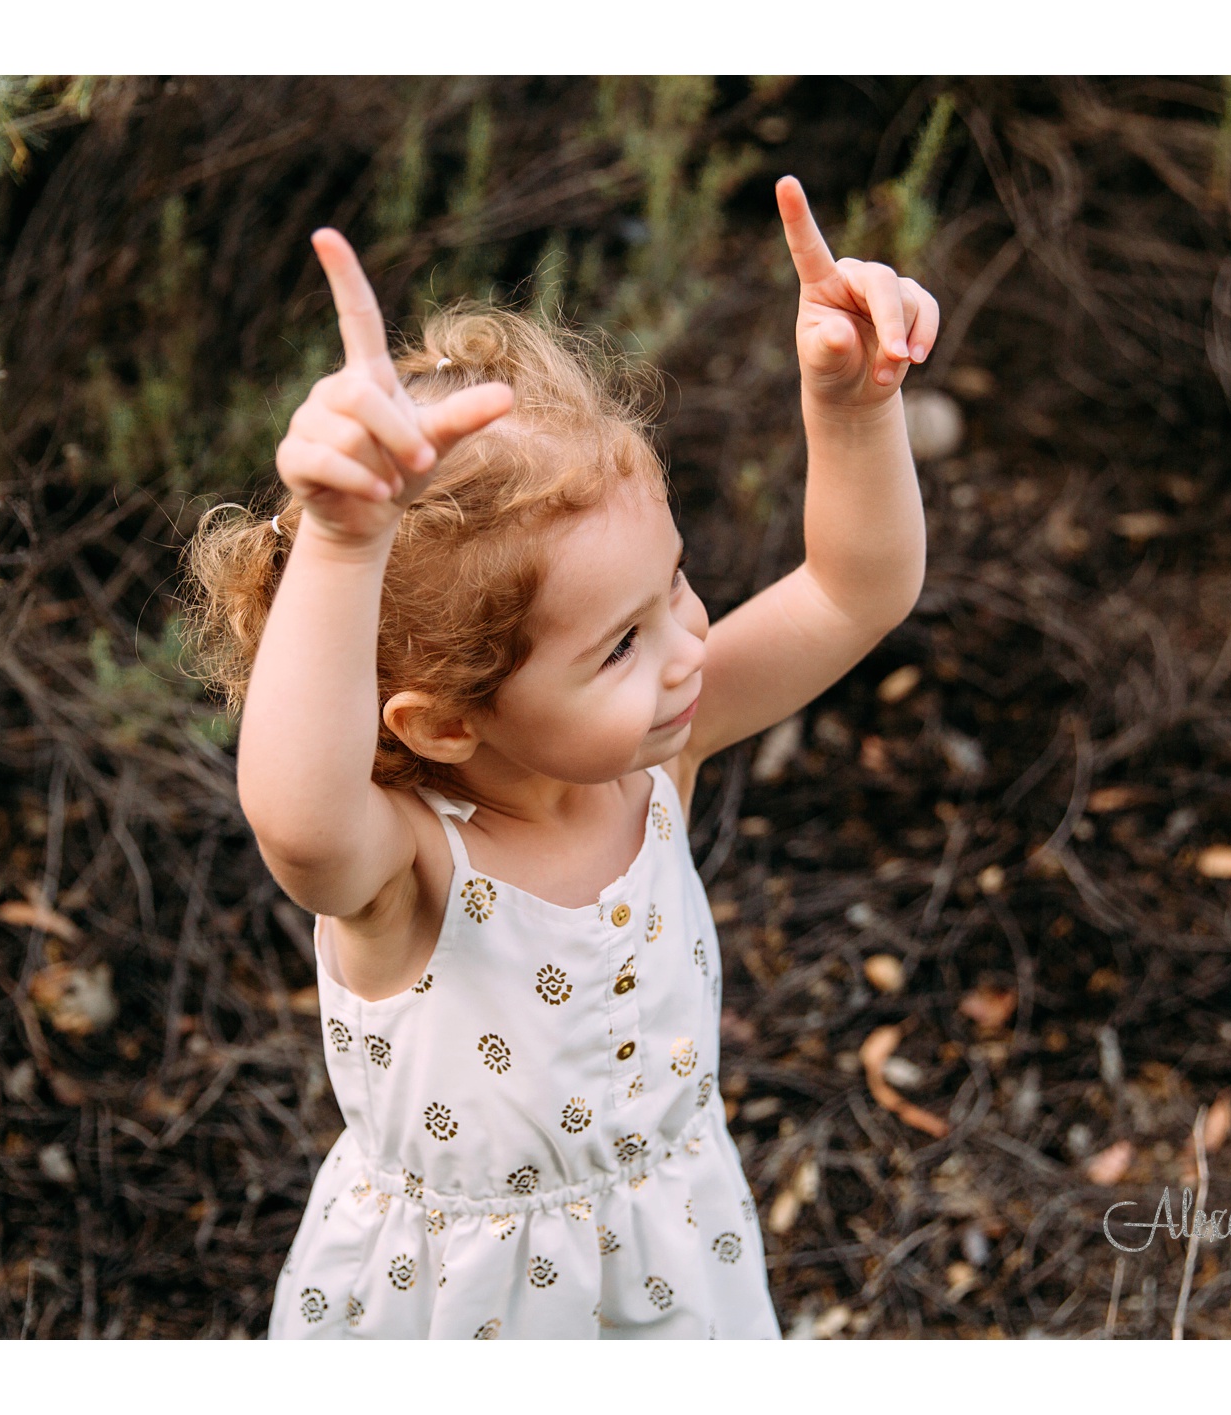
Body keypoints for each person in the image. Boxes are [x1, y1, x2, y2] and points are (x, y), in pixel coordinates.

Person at [184, 175, 935, 1339]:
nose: (689, 643)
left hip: (676, 1269)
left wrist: (848, 407)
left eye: (674, 580)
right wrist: (342, 541)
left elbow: (854, 588)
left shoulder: (648, 760)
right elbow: (296, 817)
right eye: (620, 642)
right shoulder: (405, 870)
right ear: (442, 724)